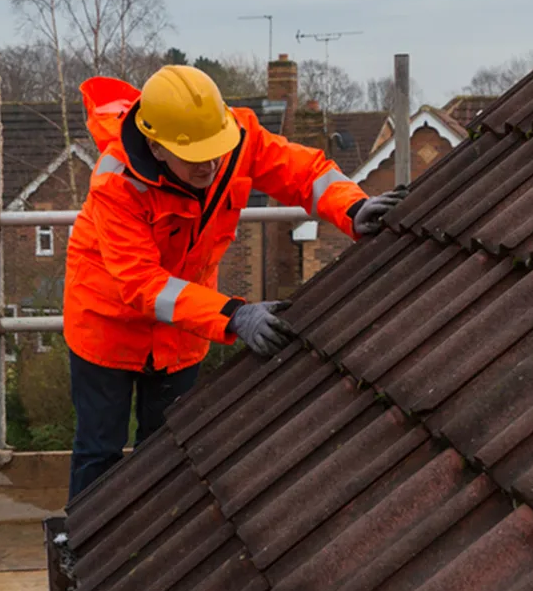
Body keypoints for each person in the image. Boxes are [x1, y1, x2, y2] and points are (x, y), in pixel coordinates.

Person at [63, 65, 406, 499]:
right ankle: (83, 537)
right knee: (99, 452)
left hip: (185, 327)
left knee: (167, 451)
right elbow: (142, 284)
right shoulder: (117, 182)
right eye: (195, 157)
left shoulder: (235, 137)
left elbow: (304, 172)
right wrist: (233, 316)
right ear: (156, 147)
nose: (210, 165)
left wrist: (353, 207)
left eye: (216, 152)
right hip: (106, 323)